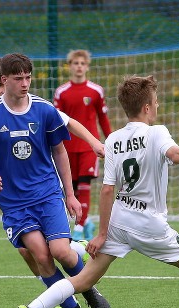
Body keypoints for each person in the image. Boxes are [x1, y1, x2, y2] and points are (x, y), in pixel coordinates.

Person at [0, 75, 179, 308]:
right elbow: (174, 154)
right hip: (148, 224)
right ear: (147, 108)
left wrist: (102, 234)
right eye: (156, 102)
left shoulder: (114, 139)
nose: (157, 106)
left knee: (82, 280)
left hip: (118, 220)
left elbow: (107, 191)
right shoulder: (157, 132)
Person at [0, 53, 111, 308]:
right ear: (4, 80)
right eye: (18, 78)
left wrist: (70, 194)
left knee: (61, 251)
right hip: (14, 203)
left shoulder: (44, 109)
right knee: (41, 256)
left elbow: (60, 150)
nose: (25, 83)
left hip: (47, 193)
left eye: (28, 78)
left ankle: (88, 288)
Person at [53, 49, 112, 241]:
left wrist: (110, 141)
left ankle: (78, 229)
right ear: (69, 66)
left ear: (87, 66)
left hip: (88, 146)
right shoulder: (61, 92)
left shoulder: (96, 91)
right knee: (73, 189)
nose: (79, 66)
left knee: (85, 185)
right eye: (75, 63)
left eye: (82, 63)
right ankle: (86, 222)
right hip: (68, 148)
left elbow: (103, 118)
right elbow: (56, 121)